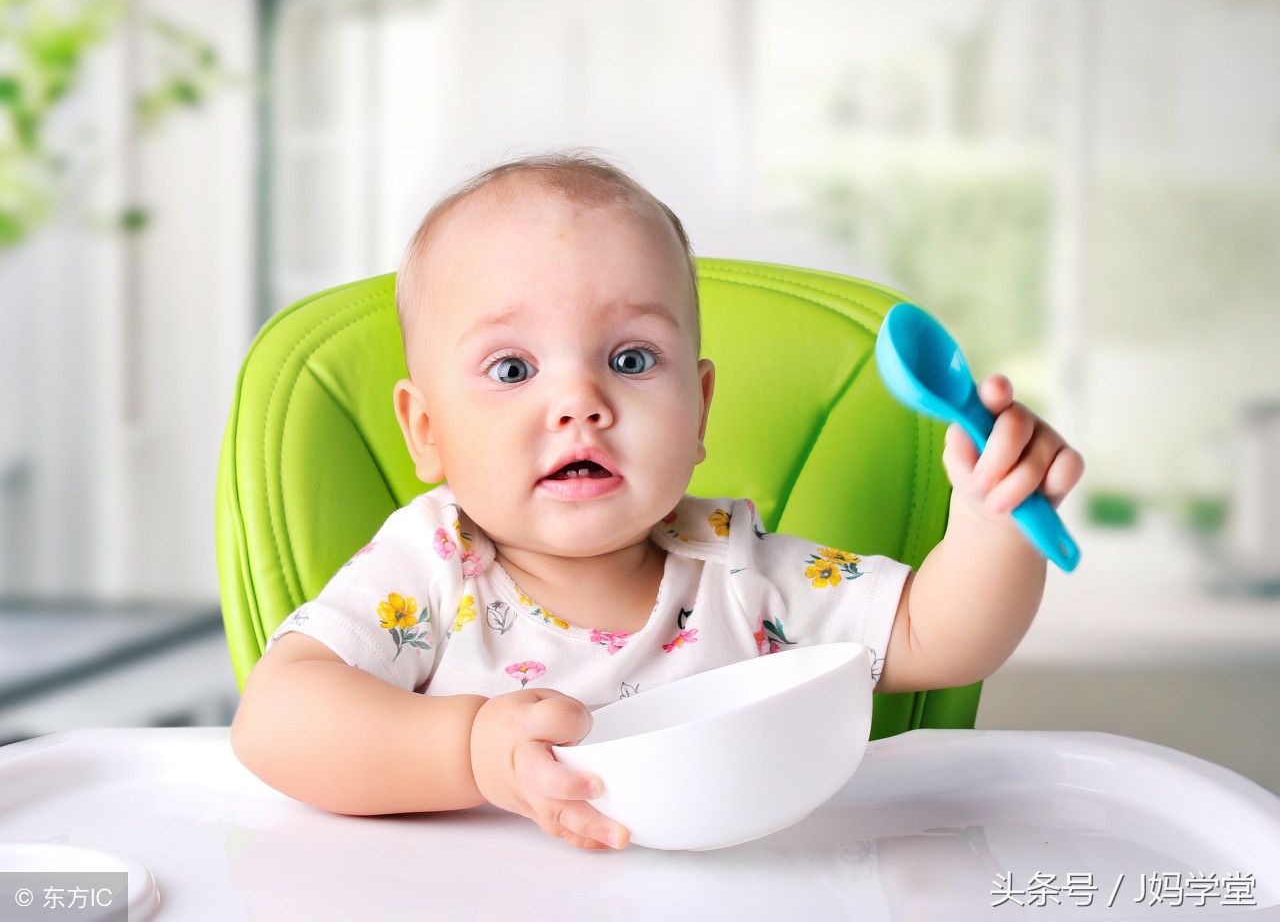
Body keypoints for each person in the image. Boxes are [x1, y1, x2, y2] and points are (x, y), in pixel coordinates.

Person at [230, 150, 1084, 852]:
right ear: (427, 431)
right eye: (513, 369)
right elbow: (275, 720)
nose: (581, 401)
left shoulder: (737, 568)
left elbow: (936, 639)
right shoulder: (428, 568)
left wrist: (991, 519)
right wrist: (468, 750)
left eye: (632, 359)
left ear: (701, 408)